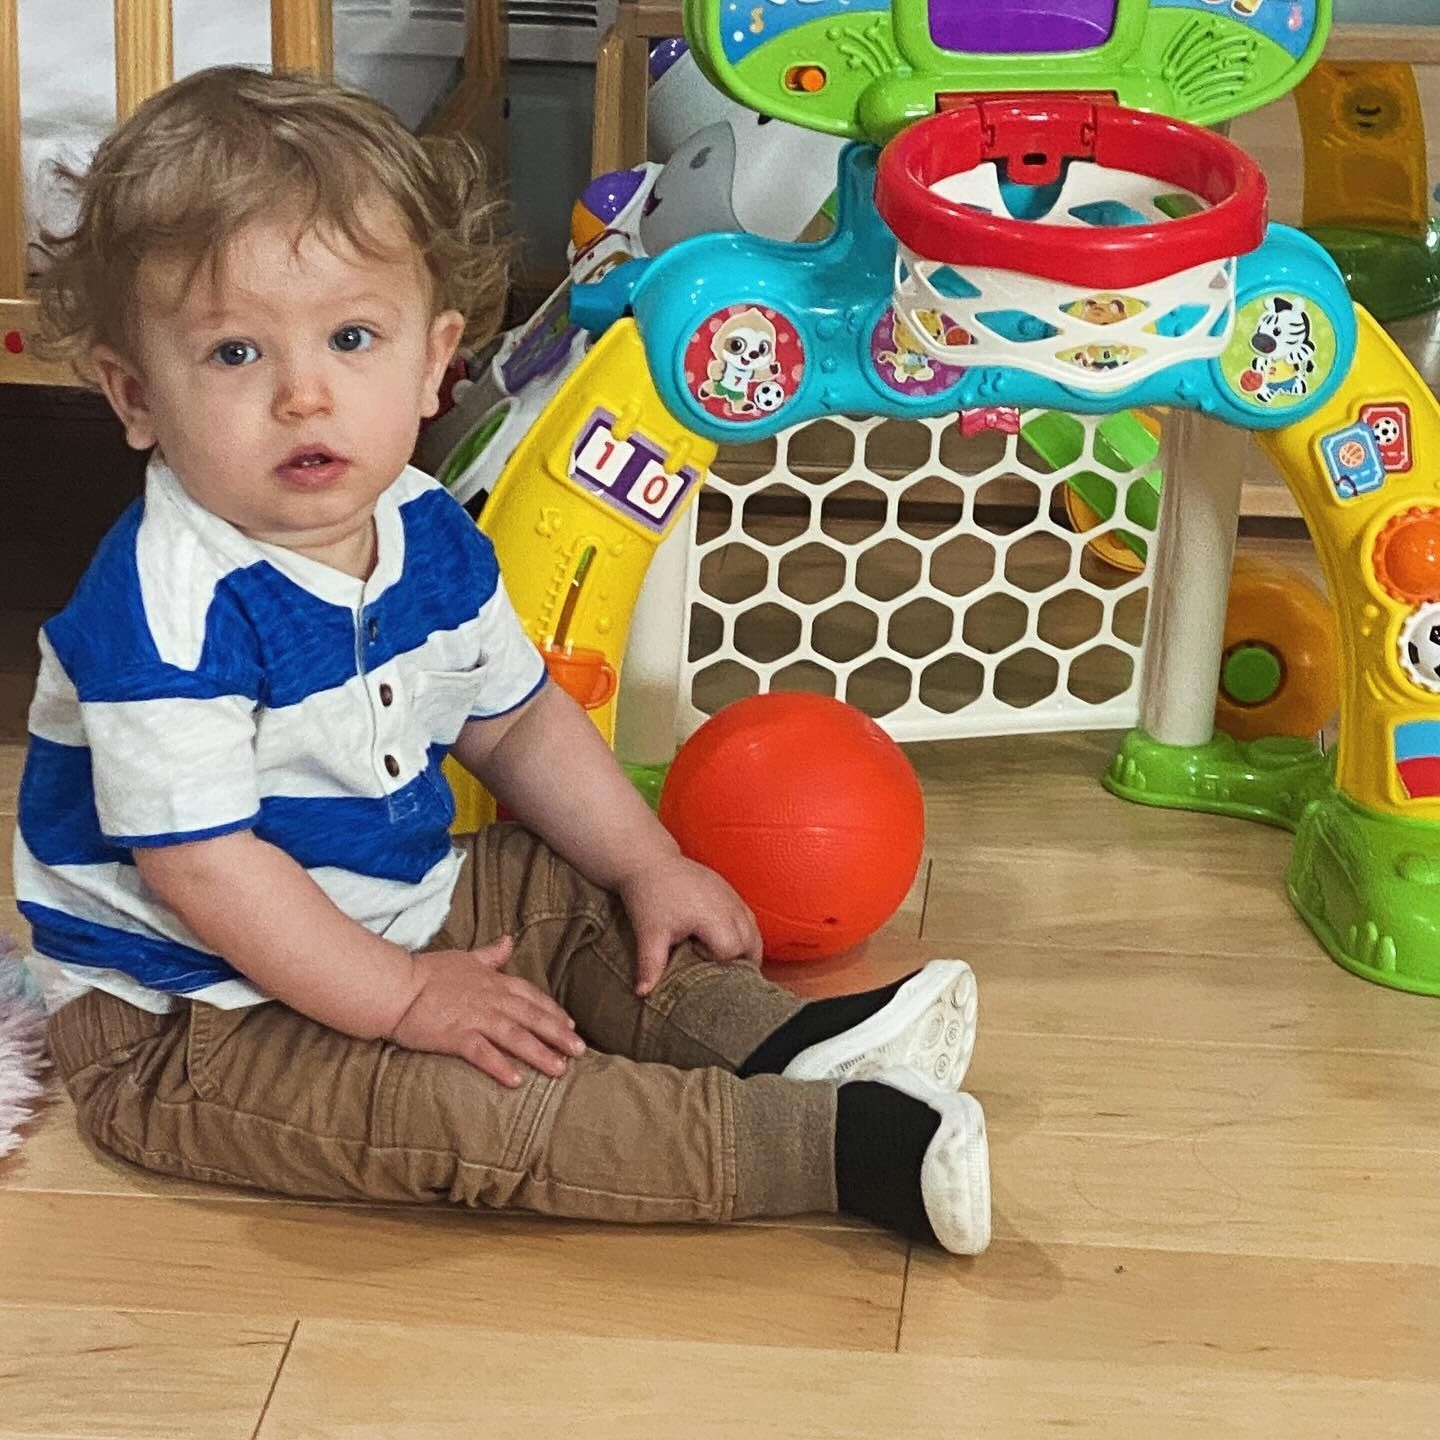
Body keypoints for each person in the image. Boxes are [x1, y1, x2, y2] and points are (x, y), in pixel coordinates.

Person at [14, 66, 990, 1253]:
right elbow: (208, 873)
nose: (303, 394)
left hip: (392, 897)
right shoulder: (166, 612)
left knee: (568, 890)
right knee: (481, 1104)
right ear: (134, 396)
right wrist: (405, 998)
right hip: (195, 1013)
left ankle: (789, 1044)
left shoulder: (426, 529)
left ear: (435, 363)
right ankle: (837, 1147)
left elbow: (515, 721)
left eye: (351, 338)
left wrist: (648, 861)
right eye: (233, 354)